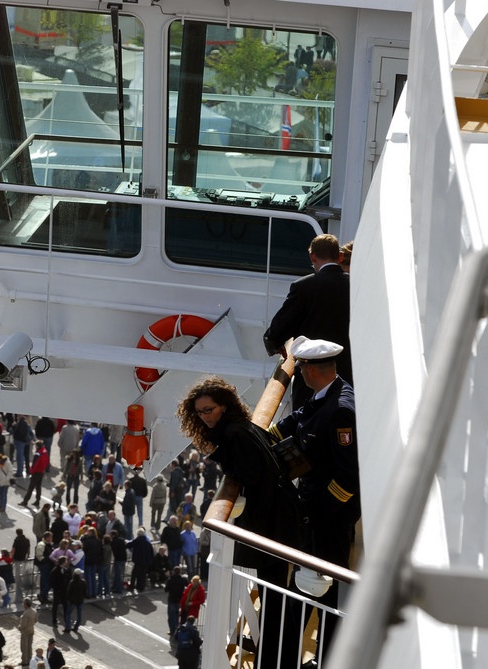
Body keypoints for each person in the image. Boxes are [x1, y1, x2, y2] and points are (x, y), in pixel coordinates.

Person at [177, 375, 304, 668]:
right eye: (199, 412)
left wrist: (217, 455)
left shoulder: (233, 435)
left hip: (271, 525)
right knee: (275, 594)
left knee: (274, 596)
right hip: (277, 519)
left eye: (208, 409)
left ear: (223, 406)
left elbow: (248, 474)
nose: (204, 416)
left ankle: (275, 657)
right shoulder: (239, 428)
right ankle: (278, 654)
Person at [269, 336, 360, 665]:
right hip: (316, 510)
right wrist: (263, 436)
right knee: (312, 585)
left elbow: (350, 477)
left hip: (329, 517)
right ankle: (303, 655)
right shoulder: (327, 394)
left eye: (302, 367)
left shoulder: (341, 410)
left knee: (326, 588)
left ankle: (327, 657)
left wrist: (322, 512)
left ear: (309, 371)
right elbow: (297, 422)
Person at [262, 233, 351, 409]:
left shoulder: (303, 286)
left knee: (306, 421)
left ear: (312, 256)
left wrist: (274, 343)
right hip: (347, 371)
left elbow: (281, 326)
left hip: (311, 372)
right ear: (340, 256)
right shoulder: (357, 285)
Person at [18, 599, 38, 666]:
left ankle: (24, 661)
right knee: (29, 646)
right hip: (31, 630)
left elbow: (23, 625)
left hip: (25, 632)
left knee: (24, 647)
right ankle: (29, 660)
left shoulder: (26, 613)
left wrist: (19, 627)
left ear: (26, 605)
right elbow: (35, 620)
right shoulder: (34, 611)